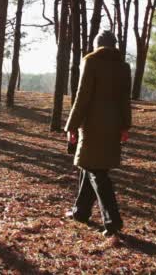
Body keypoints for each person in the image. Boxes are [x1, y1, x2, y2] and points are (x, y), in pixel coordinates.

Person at [64, 30, 132, 238]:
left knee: (95, 170)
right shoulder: (123, 66)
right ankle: (80, 212)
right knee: (90, 165)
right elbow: (124, 99)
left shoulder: (91, 62)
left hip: (92, 123)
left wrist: (71, 125)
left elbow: (82, 96)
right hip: (113, 125)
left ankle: (113, 221)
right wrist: (124, 126)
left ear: (97, 45)